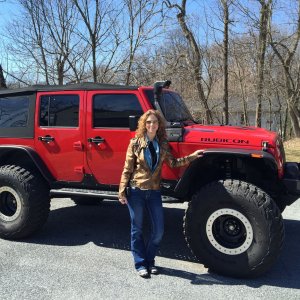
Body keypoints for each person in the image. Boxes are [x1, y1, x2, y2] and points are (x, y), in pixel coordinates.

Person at [118, 109, 203, 278]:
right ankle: (141, 263)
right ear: (144, 124)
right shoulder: (135, 143)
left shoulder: (163, 144)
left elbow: (174, 163)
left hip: (155, 193)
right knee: (137, 230)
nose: (151, 125)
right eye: (148, 122)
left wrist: (192, 157)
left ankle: (150, 260)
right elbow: (127, 169)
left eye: (154, 122)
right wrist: (121, 191)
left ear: (159, 125)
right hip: (137, 192)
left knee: (158, 231)